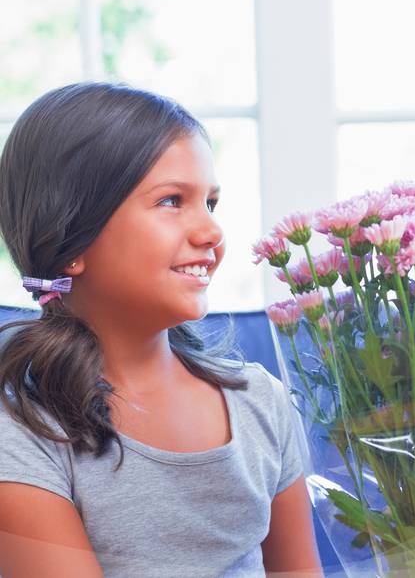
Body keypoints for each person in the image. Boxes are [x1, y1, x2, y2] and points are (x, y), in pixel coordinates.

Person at [0, 82, 321, 577]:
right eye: (172, 201)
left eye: (210, 203)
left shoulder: (260, 401)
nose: (211, 233)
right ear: (69, 240)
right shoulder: (23, 425)